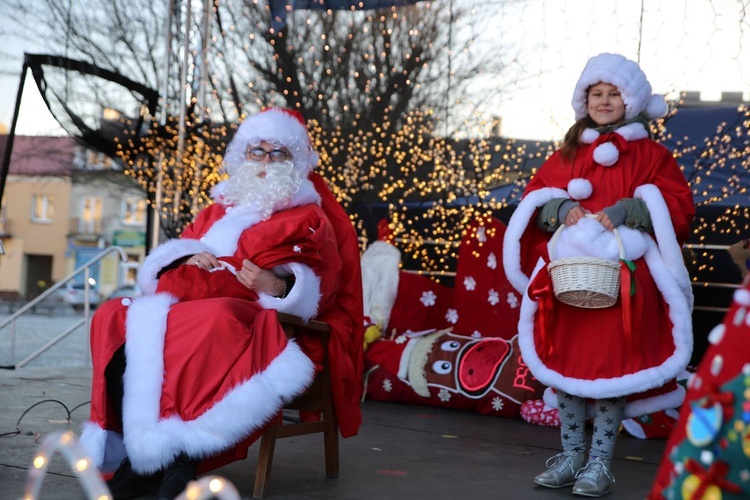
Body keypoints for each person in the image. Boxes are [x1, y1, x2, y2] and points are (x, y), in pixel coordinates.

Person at [79, 108, 364, 499]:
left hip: (255, 318)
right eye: (257, 151)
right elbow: (166, 262)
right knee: (113, 314)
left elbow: (322, 287)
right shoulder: (216, 210)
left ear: (295, 161)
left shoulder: (309, 215)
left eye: (277, 153)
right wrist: (184, 259)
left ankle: (179, 459)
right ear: (241, 156)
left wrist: (276, 284)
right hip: (186, 303)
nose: (265, 161)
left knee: (215, 318)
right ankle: (143, 453)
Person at [502, 53, 695, 497]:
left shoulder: (650, 155)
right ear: (584, 100)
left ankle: (600, 463)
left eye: (613, 94)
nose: (604, 101)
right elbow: (535, 200)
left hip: (625, 285)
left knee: (611, 372)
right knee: (570, 369)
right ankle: (570, 455)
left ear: (630, 101)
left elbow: (679, 208)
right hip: (571, 280)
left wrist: (631, 208)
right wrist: (560, 207)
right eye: (596, 94)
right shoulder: (567, 153)